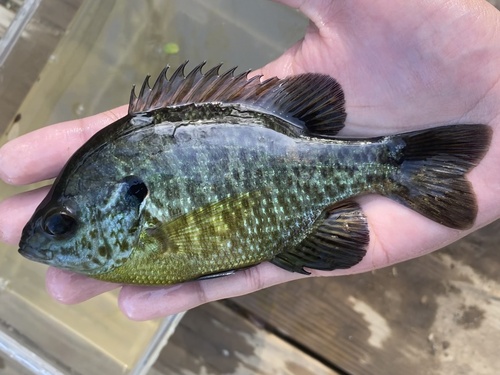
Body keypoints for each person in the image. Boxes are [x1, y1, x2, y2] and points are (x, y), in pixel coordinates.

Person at [0, 0, 499, 320]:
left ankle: (397, 166)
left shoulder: (139, 224)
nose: (53, 238)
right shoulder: (127, 204)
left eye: (63, 224)